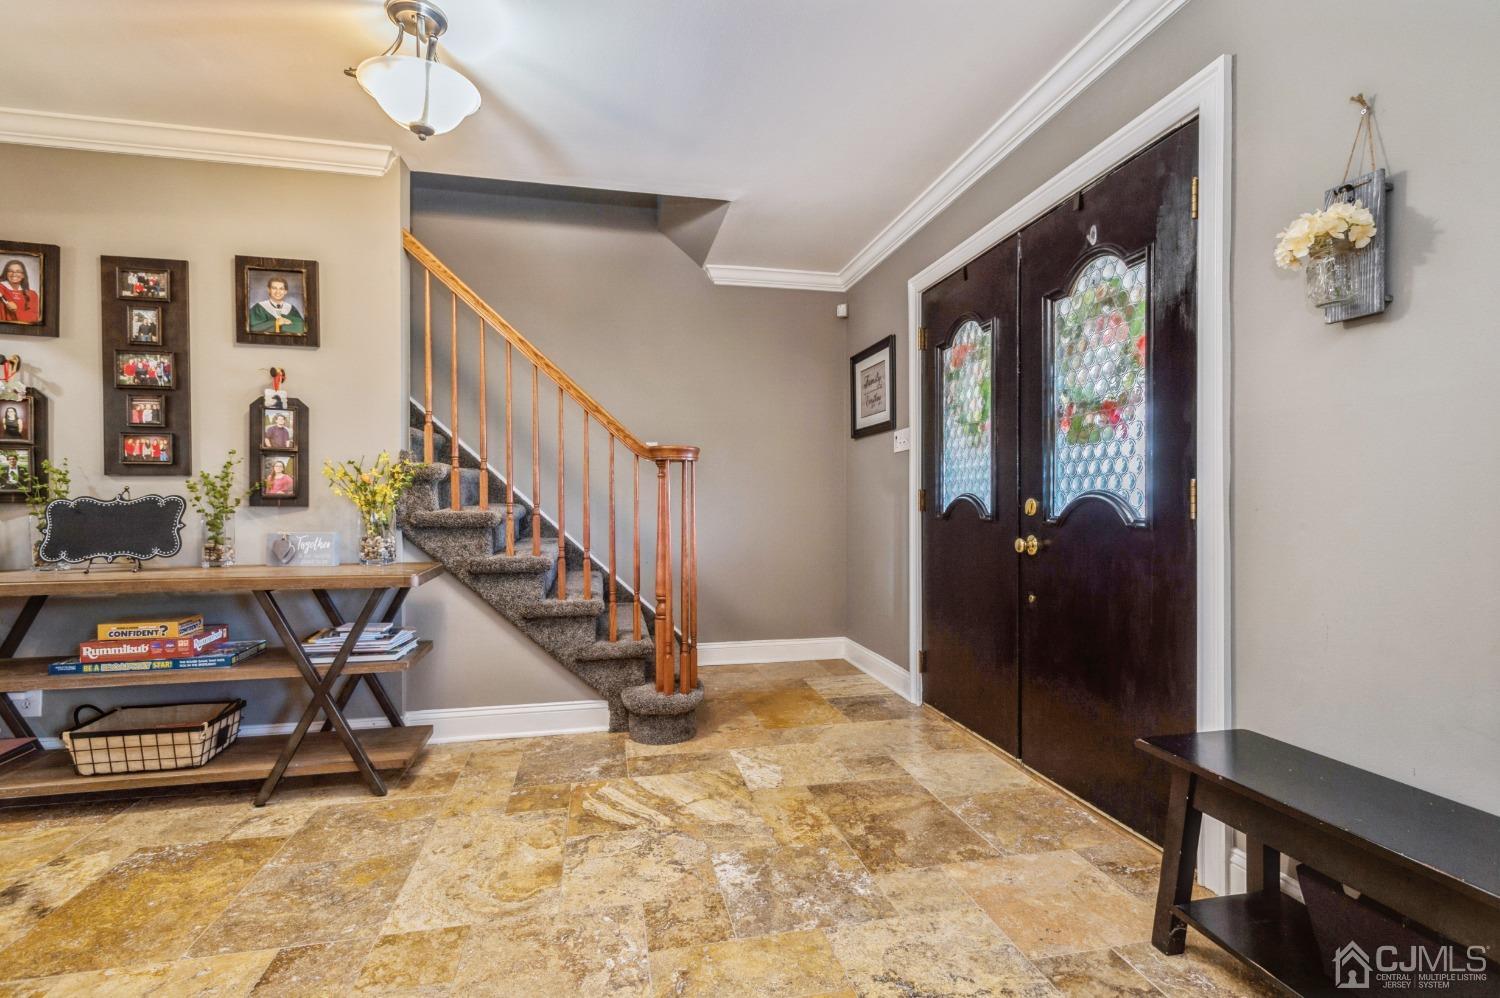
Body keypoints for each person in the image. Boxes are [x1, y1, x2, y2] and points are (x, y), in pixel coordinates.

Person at [0, 259, 40, 325]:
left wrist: (16, 310)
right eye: (10, 271)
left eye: (18, 271)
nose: (14, 274)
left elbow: (34, 318)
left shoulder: (32, 294)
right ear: (6, 274)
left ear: (23, 275)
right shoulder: (1, 288)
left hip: (24, 331)